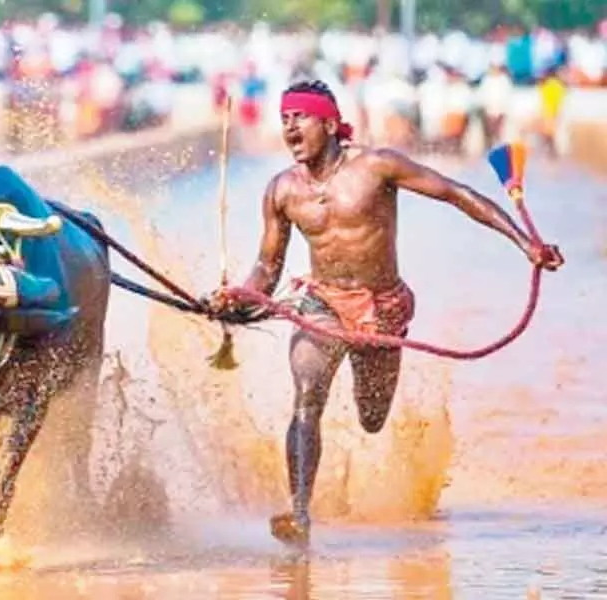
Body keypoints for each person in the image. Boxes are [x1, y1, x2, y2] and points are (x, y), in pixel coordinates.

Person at [209, 79, 563, 547]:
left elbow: (456, 193)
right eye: (285, 118)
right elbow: (266, 269)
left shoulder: (378, 166)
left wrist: (526, 244)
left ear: (330, 124)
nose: (290, 126)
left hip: (382, 309)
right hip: (323, 305)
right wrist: (239, 295)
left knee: (372, 417)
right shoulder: (282, 190)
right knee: (306, 393)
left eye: (301, 116)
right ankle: (298, 515)